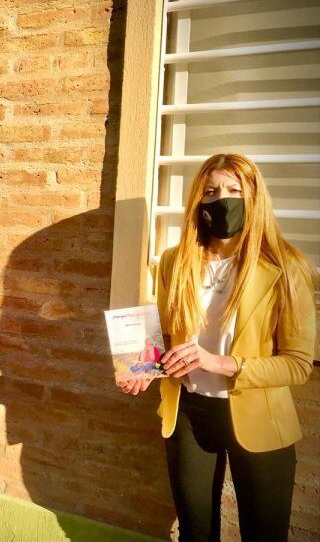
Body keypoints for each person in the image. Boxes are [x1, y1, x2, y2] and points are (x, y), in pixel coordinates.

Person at [119, 154, 316, 542]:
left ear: (254, 197)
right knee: (194, 532)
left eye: (233, 190)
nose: (221, 200)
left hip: (259, 417)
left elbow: (297, 365)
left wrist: (220, 362)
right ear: (197, 199)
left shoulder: (286, 266)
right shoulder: (176, 261)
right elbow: (160, 338)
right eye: (210, 191)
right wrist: (139, 370)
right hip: (190, 414)